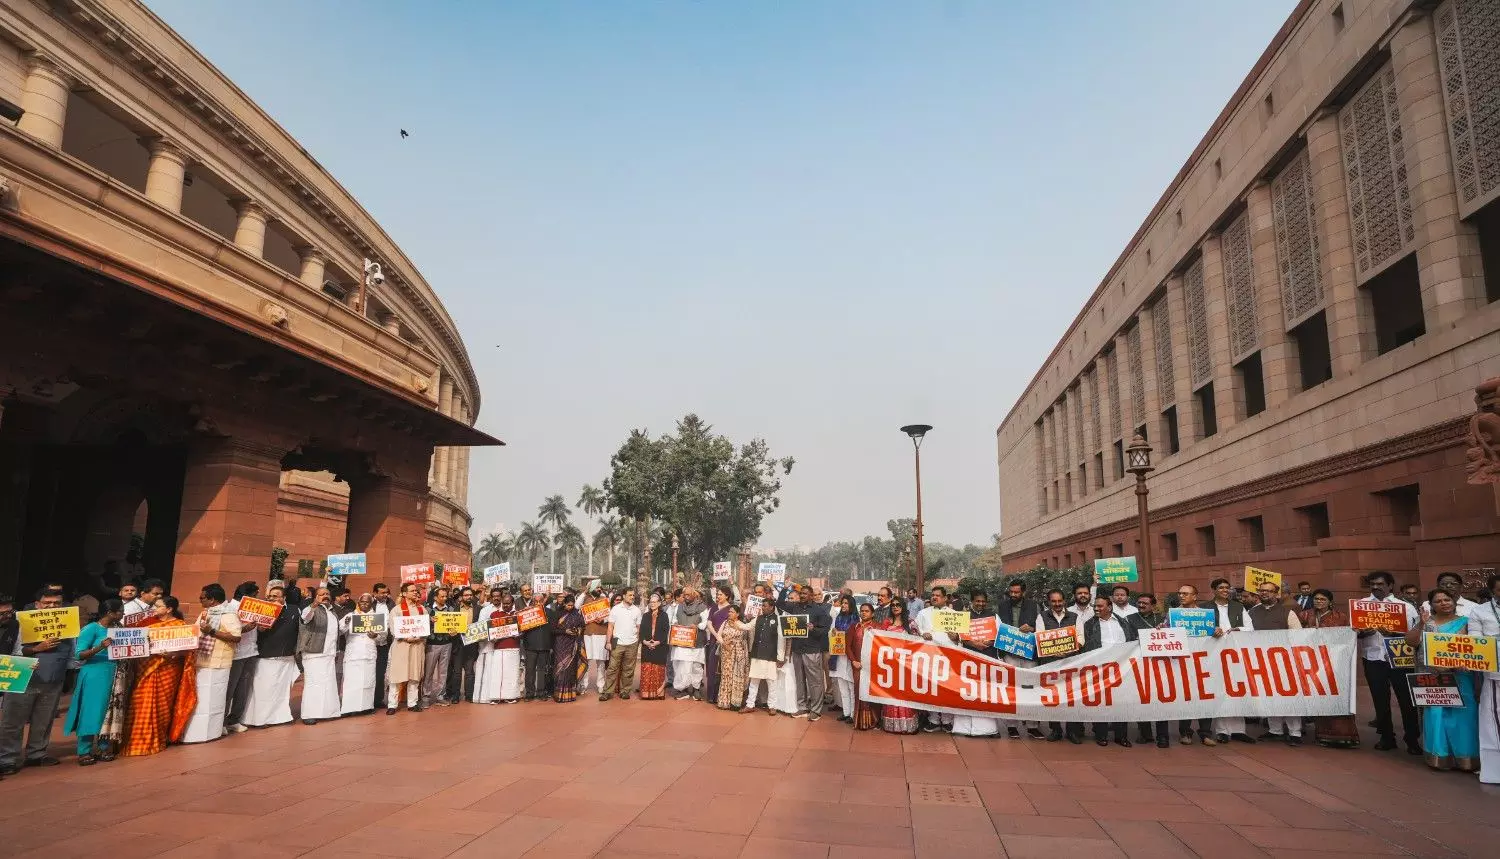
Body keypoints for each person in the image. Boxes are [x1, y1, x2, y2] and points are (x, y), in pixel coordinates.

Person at [0, 587, 75, 774]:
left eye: (56, 603)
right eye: (47, 603)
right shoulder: (21, 622)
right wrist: (37, 649)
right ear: (37, 604)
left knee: (44, 719)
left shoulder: (69, 624)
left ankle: (37, 754)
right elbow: (15, 650)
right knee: (13, 720)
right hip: (23, 676)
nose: (52, 606)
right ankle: (7, 759)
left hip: (53, 679)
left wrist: (69, 674)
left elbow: (73, 653)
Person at [1407, 589, 1479, 772]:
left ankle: (1466, 759)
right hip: (1433, 677)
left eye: (1447, 599)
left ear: (1454, 601)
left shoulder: (1467, 622)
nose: (1443, 603)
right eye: (1438, 601)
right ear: (1431, 605)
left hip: (1461, 675)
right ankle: (1440, 757)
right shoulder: (1425, 622)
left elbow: (1471, 647)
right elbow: (1410, 642)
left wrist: (1453, 663)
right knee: (1436, 715)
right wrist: (1421, 624)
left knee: (1464, 716)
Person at [121, 596, 197, 756]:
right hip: (145, 668)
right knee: (140, 702)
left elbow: (187, 650)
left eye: (158, 606)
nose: (154, 608)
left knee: (162, 706)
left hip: (168, 670)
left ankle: (158, 740)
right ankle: (135, 742)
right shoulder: (145, 623)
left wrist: (172, 655)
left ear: (169, 609)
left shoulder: (180, 626)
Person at [1359, 571, 1421, 754]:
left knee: (1407, 700)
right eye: (1372, 584)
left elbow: (1414, 635)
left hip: (1399, 658)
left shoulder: (1405, 607)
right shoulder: (1362, 605)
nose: (1376, 587)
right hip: (1373, 657)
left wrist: (1394, 634)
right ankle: (1386, 737)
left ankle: (1412, 740)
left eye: (1379, 584)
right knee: (1380, 700)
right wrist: (1364, 632)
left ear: (1390, 585)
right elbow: (1355, 632)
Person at [1298, 589, 1360, 748]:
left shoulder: (1341, 617)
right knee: (1321, 696)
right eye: (1316, 599)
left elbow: (1348, 636)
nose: (1319, 601)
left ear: (1330, 602)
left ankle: (1345, 736)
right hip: (1314, 662)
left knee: (1338, 695)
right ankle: (1323, 735)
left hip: (1336, 661)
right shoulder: (1305, 615)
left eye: (1322, 599)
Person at [182, 583, 242, 743]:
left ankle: (211, 733)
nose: (199, 600)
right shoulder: (205, 613)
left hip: (218, 664)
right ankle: (196, 732)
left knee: (214, 699)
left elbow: (236, 637)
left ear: (212, 599)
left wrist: (212, 631)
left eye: (202, 598)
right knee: (200, 699)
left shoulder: (229, 615)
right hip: (201, 662)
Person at [66, 598, 124, 765]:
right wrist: (100, 647)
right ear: (109, 613)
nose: (122, 613)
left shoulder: (118, 628)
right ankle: (84, 751)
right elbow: (79, 654)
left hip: (114, 672)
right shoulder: (91, 629)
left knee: (108, 711)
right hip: (94, 672)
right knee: (91, 711)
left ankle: (103, 748)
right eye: (119, 611)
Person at [1247, 581, 1303, 745]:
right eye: (1262, 591)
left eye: (1269, 591)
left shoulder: (1288, 612)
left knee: (1290, 696)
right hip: (1261, 660)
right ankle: (1275, 730)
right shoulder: (1252, 612)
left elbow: (1298, 635)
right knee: (1270, 695)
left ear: (1276, 593)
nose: (1264, 594)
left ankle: (1295, 732)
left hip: (1285, 661)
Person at [1081, 596, 1136, 747]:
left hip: (1122, 668)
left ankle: (1121, 736)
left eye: (1100, 606)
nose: (1096, 609)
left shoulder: (1123, 622)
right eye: (1095, 607)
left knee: (1121, 703)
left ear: (1109, 607)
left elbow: (1132, 640)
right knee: (1101, 703)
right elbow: (1085, 647)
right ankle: (1101, 735)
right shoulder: (1089, 624)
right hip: (1100, 668)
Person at [1208, 577, 1256, 744]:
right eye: (1221, 587)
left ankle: (1239, 730)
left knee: (1238, 688)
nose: (1225, 590)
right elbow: (1199, 629)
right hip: (1215, 652)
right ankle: (1222, 730)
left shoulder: (1238, 606)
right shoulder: (1205, 608)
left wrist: (1238, 629)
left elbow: (1250, 628)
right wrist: (1211, 630)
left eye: (1227, 588)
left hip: (1236, 652)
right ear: (1213, 590)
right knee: (1221, 689)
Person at [243, 585, 298, 728]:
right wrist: (261, 627)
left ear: (283, 598)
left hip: (286, 657)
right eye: (270, 596)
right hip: (266, 656)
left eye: (275, 596)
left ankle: (280, 717)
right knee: (263, 690)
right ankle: (259, 719)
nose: (272, 598)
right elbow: (255, 630)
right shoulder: (261, 610)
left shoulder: (293, 609)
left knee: (282, 690)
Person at [953, 589, 1001, 738]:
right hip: (969, 658)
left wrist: (990, 641)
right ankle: (964, 728)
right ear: (972, 601)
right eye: (977, 601)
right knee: (967, 691)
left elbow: (1000, 634)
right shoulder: (963, 616)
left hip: (988, 657)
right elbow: (959, 636)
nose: (980, 604)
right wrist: (973, 643)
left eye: (983, 601)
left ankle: (989, 729)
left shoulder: (994, 616)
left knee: (986, 692)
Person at [1037, 589, 1082, 744]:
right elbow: (1040, 637)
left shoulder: (1075, 617)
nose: (1057, 604)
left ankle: (1072, 731)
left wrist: (1069, 649)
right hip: (1050, 663)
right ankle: (1055, 729)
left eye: (1059, 601)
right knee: (1053, 697)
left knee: (1071, 697)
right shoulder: (1042, 616)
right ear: (1049, 602)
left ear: (1064, 601)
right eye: (1053, 601)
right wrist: (1055, 652)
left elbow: (1081, 638)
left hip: (1071, 662)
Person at [1467, 574, 1500, 784]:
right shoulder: (1479, 611)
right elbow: (1475, 642)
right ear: (1492, 591)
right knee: (1495, 719)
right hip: (1496, 674)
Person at [785, 584, 831, 720]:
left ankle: (816, 710)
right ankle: (802, 707)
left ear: (811, 596)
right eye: (801, 593)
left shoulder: (819, 610)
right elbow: (780, 603)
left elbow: (824, 629)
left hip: (811, 649)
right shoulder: (795, 607)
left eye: (805, 593)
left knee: (815, 681)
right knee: (800, 680)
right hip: (797, 649)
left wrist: (813, 629)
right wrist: (784, 588)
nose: (803, 595)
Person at [297, 586, 341, 725]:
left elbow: (334, 634)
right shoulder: (311, 609)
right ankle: (308, 714)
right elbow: (305, 618)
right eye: (322, 594)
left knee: (328, 684)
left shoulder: (332, 612)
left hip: (329, 654)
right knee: (313, 684)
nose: (325, 596)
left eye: (327, 594)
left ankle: (327, 712)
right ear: (316, 597)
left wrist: (336, 651)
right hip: (313, 653)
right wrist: (314, 605)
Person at [876, 599, 919, 733]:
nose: (895, 607)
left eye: (898, 605)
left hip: (906, 665)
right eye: (893, 605)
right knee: (890, 693)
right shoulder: (887, 623)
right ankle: (891, 725)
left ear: (903, 607)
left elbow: (918, 643)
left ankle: (907, 725)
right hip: (890, 665)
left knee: (904, 694)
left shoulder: (911, 623)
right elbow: (879, 640)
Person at [223, 581, 260, 734]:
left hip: (250, 651)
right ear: (248, 596)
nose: (258, 598)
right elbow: (226, 631)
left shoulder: (254, 609)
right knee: (229, 689)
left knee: (242, 689)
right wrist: (244, 629)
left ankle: (234, 719)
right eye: (255, 595)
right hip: (235, 654)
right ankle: (221, 721)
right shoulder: (229, 609)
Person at [339, 593, 384, 715]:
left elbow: (382, 638)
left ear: (371, 604)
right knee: (351, 682)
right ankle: (349, 708)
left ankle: (366, 707)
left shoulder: (376, 617)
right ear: (358, 603)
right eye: (362, 602)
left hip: (369, 654)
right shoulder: (351, 615)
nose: (364, 604)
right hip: (353, 653)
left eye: (367, 602)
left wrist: (376, 636)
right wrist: (347, 622)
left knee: (368, 681)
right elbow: (340, 630)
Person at [387, 582, 428, 714]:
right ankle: (392, 705)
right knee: (396, 675)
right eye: (412, 591)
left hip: (417, 645)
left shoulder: (422, 609)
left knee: (414, 675)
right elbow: (393, 629)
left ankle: (412, 703)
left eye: (416, 591)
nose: (416, 593)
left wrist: (419, 636)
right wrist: (406, 637)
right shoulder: (397, 610)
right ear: (404, 594)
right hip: (401, 645)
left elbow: (425, 628)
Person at [742, 591, 785, 713]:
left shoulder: (778, 620)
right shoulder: (758, 618)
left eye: (765, 606)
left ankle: (772, 706)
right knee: (754, 681)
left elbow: (781, 639)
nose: (763, 608)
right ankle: (750, 705)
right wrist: (735, 622)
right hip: (757, 654)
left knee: (771, 682)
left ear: (772, 607)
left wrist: (780, 657)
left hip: (770, 656)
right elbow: (747, 627)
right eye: (762, 606)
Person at [601, 589, 642, 701]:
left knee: (629, 669)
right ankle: (607, 692)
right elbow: (610, 626)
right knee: (612, 668)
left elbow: (638, 628)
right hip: (617, 642)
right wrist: (608, 642)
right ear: (624, 596)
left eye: (633, 595)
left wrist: (637, 641)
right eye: (630, 595)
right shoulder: (616, 609)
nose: (632, 597)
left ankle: (625, 691)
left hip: (632, 643)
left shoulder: (637, 610)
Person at [846, 603, 881, 730]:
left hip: (873, 667)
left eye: (867, 611)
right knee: (859, 692)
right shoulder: (854, 627)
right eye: (862, 611)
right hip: (858, 666)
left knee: (873, 692)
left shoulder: (878, 627)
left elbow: (883, 647)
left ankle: (875, 721)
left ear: (872, 613)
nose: (864, 613)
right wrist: (853, 661)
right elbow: (848, 647)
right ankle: (861, 722)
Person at [671, 587, 709, 700]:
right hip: (681, 641)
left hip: (696, 643)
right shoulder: (679, 606)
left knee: (696, 666)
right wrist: (676, 623)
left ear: (694, 595)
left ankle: (696, 688)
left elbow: (705, 622)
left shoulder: (702, 608)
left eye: (688, 595)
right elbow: (673, 619)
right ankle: (681, 689)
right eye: (684, 595)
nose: (686, 597)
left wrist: (697, 626)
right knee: (680, 666)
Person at [422, 587, 457, 708]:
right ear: (435, 597)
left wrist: (455, 631)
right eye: (442, 596)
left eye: (446, 596)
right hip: (432, 643)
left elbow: (455, 625)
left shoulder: (451, 610)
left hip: (447, 643)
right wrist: (429, 621)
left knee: (443, 672)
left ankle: (440, 696)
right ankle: (426, 696)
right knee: (429, 672)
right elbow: (420, 625)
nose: (444, 598)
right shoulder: (427, 610)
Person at [714, 603, 751, 710]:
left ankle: (735, 703)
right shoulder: (725, 623)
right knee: (726, 675)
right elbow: (718, 635)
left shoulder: (742, 624)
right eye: (729, 612)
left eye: (732, 612)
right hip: (726, 653)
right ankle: (724, 701)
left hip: (739, 654)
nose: (729, 613)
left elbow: (745, 640)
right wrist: (724, 643)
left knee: (737, 676)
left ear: (738, 614)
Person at [521, 592, 556, 701]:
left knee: (542, 670)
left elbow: (553, 630)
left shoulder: (550, 612)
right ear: (532, 601)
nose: (537, 603)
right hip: (530, 646)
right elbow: (522, 629)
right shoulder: (526, 613)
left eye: (539, 601)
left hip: (545, 646)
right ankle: (530, 693)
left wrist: (551, 646)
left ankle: (541, 692)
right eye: (535, 601)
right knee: (529, 670)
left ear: (543, 601)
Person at [828, 595, 858, 721]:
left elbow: (855, 638)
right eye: (843, 603)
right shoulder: (838, 617)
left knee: (850, 685)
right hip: (838, 655)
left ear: (851, 605)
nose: (844, 605)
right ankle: (846, 712)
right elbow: (832, 633)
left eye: (846, 603)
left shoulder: (856, 619)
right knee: (842, 685)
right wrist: (834, 632)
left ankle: (852, 714)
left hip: (850, 655)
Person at [552, 594, 586, 702]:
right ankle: (559, 694)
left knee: (571, 669)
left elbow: (582, 626)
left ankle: (570, 694)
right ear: (564, 604)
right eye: (568, 605)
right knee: (561, 668)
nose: (570, 607)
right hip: (561, 644)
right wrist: (564, 631)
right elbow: (552, 630)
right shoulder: (558, 613)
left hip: (573, 644)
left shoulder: (577, 614)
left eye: (572, 605)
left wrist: (578, 631)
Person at [638, 592, 671, 700]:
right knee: (647, 669)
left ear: (659, 603)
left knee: (658, 669)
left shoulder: (664, 615)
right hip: (646, 646)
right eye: (651, 602)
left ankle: (658, 693)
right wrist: (645, 642)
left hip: (660, 647)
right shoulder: (645, 615)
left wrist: (658, 642)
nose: (652, 604)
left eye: (654, 602)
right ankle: (646, 693)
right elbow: (641, 630)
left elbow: (666, 631)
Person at [705, 586, 734, 704]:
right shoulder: (713, 607)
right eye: (717, 594)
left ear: (727, 596)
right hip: (714, 641)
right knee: (712, 668)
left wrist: (721, 638)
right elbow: (709, 623)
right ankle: (711, 696)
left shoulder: (730, 609)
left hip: (726, 642)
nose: (718, 597)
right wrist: (717, 635)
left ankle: (722, 696)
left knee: (723, 669)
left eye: (720, 594)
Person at [581, 589, 610, 696]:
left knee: (601, 662)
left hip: (601, 634)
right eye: (595, 587)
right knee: (586, 661)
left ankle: (601, 685)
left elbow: (609, 616)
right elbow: (576, 605)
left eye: (599, 587)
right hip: (587, 634)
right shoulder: (585, 598)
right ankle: (583, 685)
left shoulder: (604, 599)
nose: (598, 589)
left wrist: (603, 620)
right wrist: (585, 592)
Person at [371, 582, 394, 697]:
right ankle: (368, 700)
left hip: (385, 643)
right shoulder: (368, 604)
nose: (385, 595)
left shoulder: (391, 604)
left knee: (381, 672)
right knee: (370, 671)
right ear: (375, 593)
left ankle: (378, 699)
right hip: (370, 643)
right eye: (382, 593)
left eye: (386, 592)